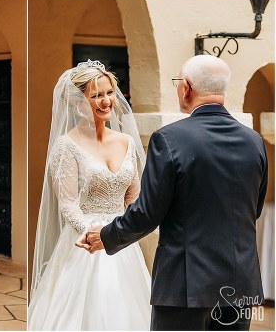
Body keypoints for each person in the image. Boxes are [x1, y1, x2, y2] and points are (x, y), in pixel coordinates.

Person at [78, 55, 268, 330]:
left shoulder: (168, 139)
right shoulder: (255, 142)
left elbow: (147, 213)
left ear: (187, 87)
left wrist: (106, 236)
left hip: (185, 286)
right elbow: (254, 208)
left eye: (178, 82)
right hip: (239, 285)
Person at [29, 60, 152, 330]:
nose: (106, 101)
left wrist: (122, 230)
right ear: (77, 103)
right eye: (96, 95)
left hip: (122, 241)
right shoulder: (66, 146)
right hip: (85, 244)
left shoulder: (126, 142)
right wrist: (95, 233)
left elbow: (133, 198)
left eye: (109, 92)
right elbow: (69, 204)